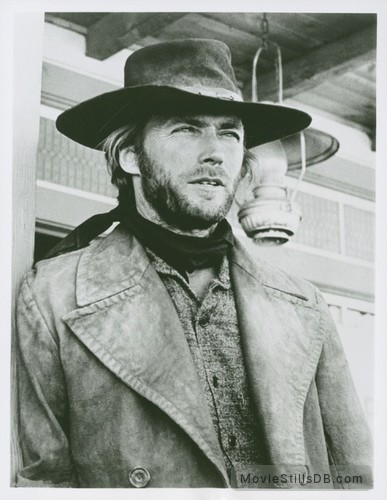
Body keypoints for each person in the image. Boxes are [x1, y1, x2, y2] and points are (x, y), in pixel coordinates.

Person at [15, 38, 372, 489]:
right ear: (130, 156)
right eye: (186, 129)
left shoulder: (304, 304)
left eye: (230, 132)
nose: (215, 152)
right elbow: (43, 483)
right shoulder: (53, 295)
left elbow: (352, 475)